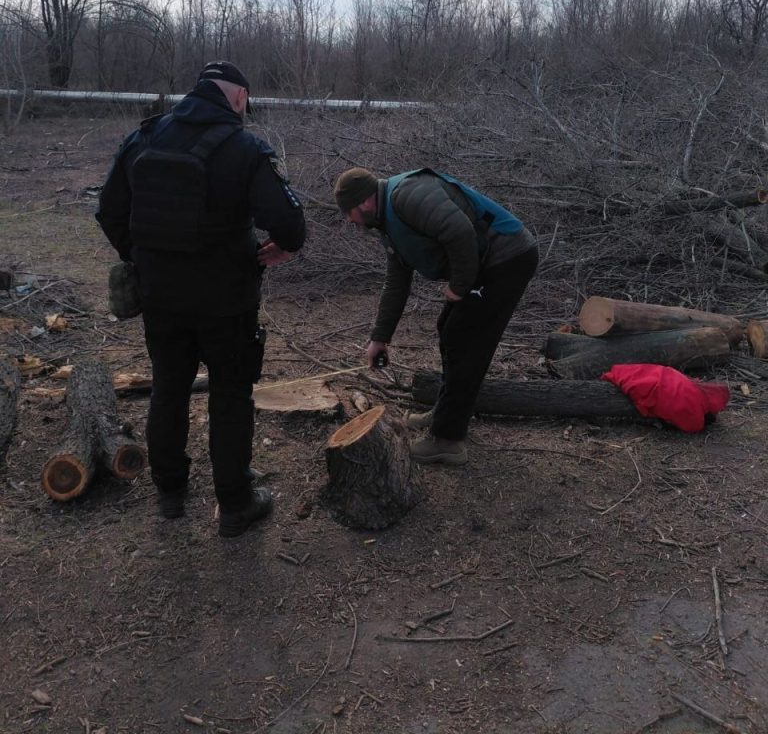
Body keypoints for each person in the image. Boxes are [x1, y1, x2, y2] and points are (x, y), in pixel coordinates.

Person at [97, 61, 306, 536]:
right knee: (230, 395)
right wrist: (283, 247)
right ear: (239, 97)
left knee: (168, 388)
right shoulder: (245, 148)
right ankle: (235, 504)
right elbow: (289, 223)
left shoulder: (143, 139)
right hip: (227, 301)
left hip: (160, 299)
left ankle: (170, 492)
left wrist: (142, 258)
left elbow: (109, 211)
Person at [333, 166, 537, 466]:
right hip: (485, 261)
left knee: (464, 338)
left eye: (348, 212)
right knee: (449, 329)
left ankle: (448, 440)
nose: (349, 221)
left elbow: (460, 232)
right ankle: (446, 413)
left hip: (508, 257)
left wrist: (459, 286)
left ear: (364, 202)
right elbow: (396, 283)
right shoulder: (386, 220)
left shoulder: (408, 196)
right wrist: (380, 338)